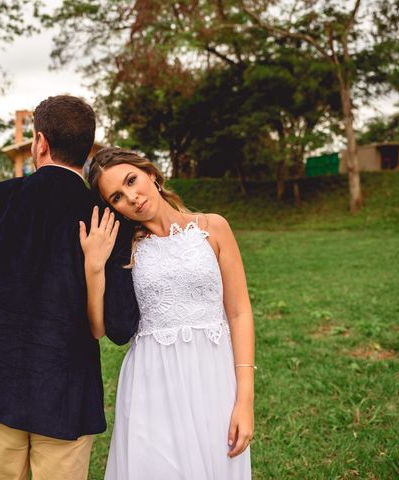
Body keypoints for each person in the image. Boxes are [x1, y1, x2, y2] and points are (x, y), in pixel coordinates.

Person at [0, 96, 139, 480]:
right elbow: (119, 326)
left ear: (39, 143)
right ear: (88, 149)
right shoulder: (107, 217)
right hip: (67, 393)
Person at [79, 147, 255, 479]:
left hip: (213, 377)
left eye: (132, 181)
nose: (131, 197)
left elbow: (239, 312)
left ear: (152, 175)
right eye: (117, 197)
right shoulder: (125, 250)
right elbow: (99, 328)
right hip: (151, 382)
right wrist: (93, 267)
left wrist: (244, 398)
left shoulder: (213, 228)